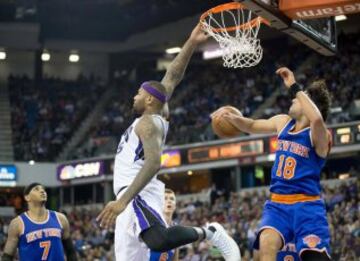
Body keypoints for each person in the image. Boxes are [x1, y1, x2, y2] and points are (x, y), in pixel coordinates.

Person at [96, 24, 241, 261]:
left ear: (150, 99)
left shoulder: (147, 124)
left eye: (139, 94)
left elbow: (154, 164)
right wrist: (192, 42)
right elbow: (172, 75)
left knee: (159, 241)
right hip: (130, 195)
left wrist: (123, 201)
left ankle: (211, 232)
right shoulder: (156, 115)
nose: (134, 97)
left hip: (134, 193)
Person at [212, 67, 332, 261]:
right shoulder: (283, 122)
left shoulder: (319, 134)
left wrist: (294, 86)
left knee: (314, 257)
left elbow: (316, 118)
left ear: (309, 103)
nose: (293, 99)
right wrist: (232, 119)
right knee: (266, 247)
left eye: (298, 98)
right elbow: (251, 126)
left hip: (307, 206)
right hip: (277, 204)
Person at [1, 183, 77, 261]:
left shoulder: (60, 219)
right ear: (27, 197)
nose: (42, 191)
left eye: (43, 189)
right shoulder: (18, 223)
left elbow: (71, 252)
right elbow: (7, 256)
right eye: (36, 189)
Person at [149, 188, 179, 261]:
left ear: (175, 206)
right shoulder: (149, 226)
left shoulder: (176, 229)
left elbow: (175, 259)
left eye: (172, 199)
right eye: (165, 198)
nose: (169, 201)